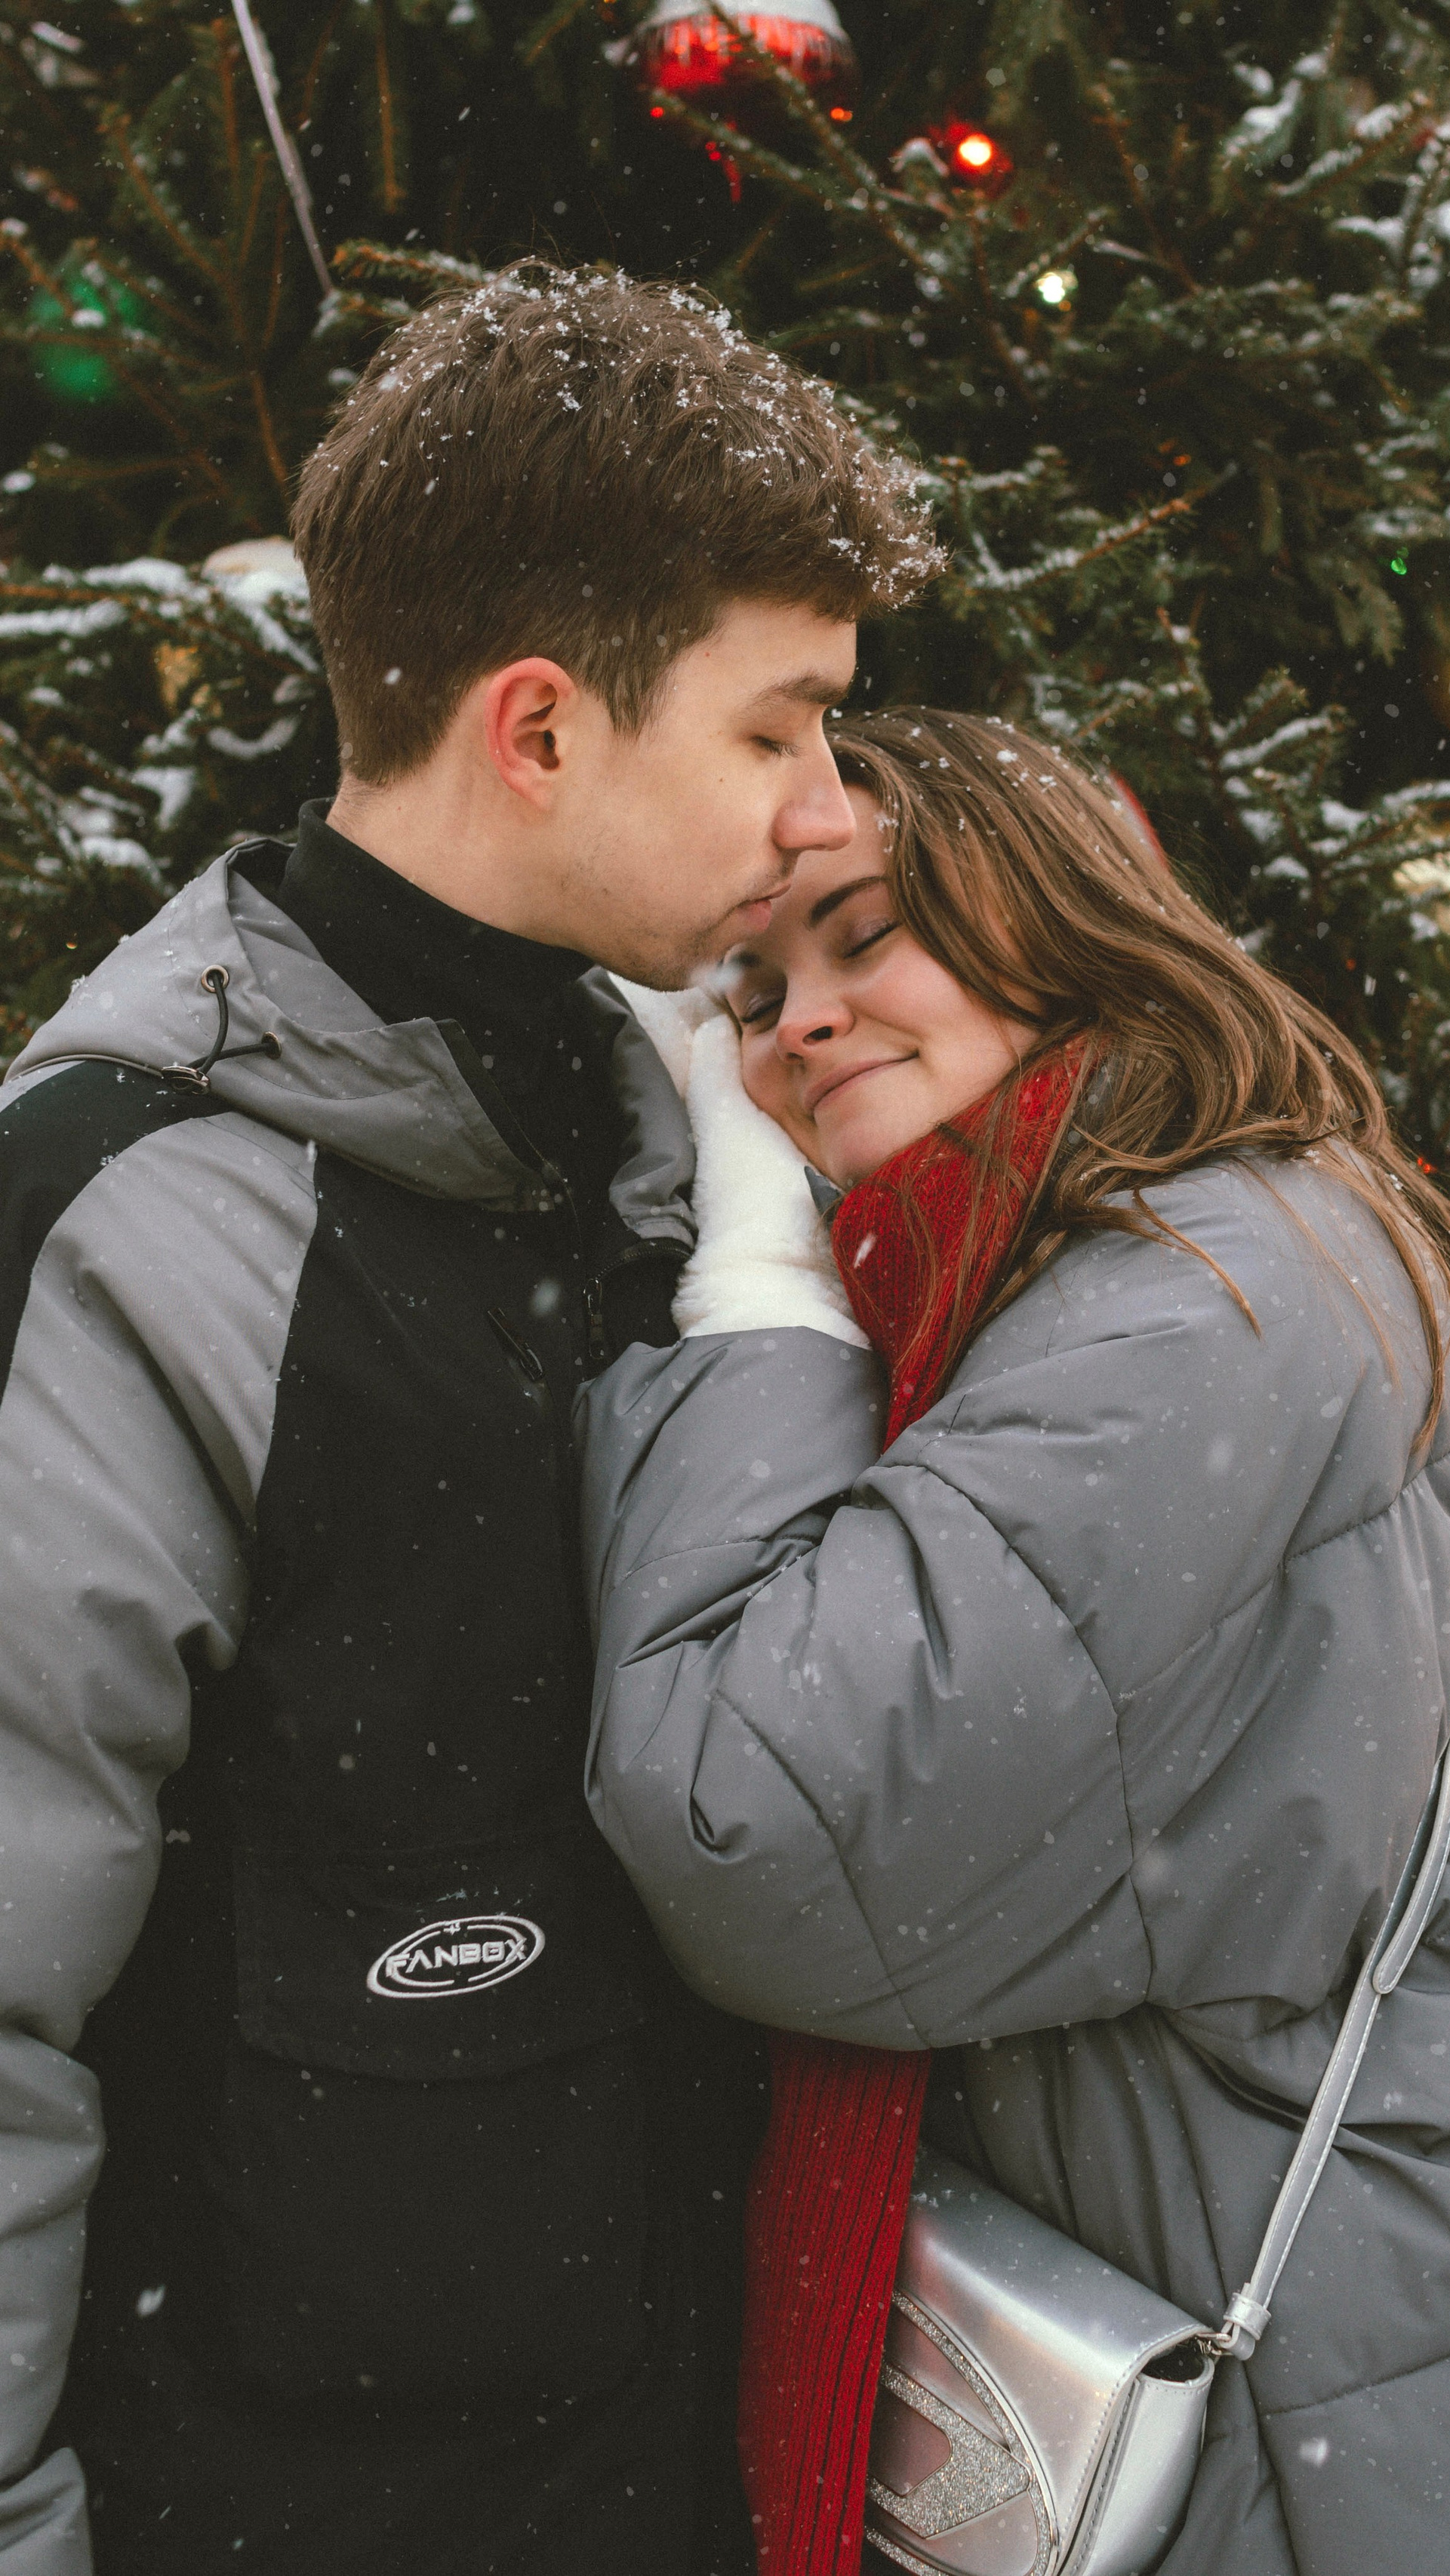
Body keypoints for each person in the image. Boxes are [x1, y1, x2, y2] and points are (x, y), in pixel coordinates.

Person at [585, 708, 1450, 2576]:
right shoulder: (1114, 1276)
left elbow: (774, 1828)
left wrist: (754, 1283)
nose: (795, 1018)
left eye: (866, 930)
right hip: (1410, 2322)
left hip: (1392, 2388)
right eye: (748, 981)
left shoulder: (1198, 1296)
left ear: (1060, 927)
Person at [0, 267, 937, 2576]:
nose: (830, 813)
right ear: (536, 729)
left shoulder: (704, 1150)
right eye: (779, 727)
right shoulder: (136, 1222)